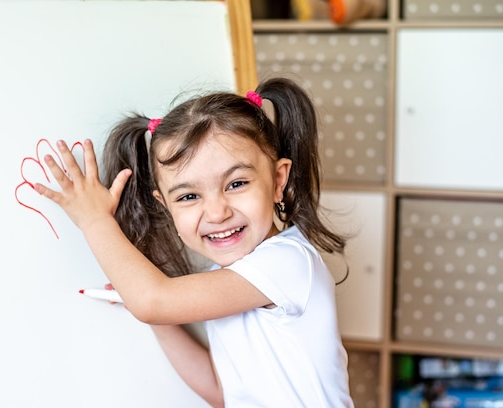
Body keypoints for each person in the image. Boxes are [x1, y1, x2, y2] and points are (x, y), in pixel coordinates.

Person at [35, 77, 354, 407]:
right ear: (165, 205)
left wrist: (94, 220)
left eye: (236, 183)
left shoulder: (288, 262)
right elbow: (221, 392)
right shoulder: (226, 279)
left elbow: (153, 301)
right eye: (189, 196)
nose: (216, 212)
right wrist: (162, 322)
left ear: (277, 180)